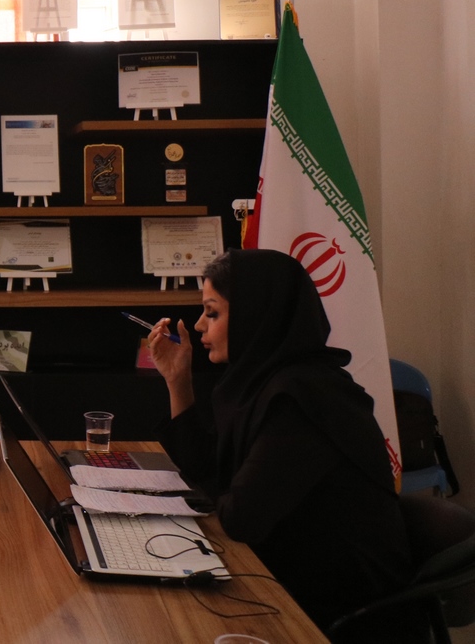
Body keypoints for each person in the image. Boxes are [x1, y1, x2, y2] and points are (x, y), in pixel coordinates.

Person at [146, 249, 422, 643]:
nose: (199, 324)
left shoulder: (304, 399)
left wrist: (213, 494)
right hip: (287, 578)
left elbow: (241, 516)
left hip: (340, 614)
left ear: (256, 316)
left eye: (212, 312)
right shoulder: (263, 382)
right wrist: (178, 380)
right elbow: (209, 472)